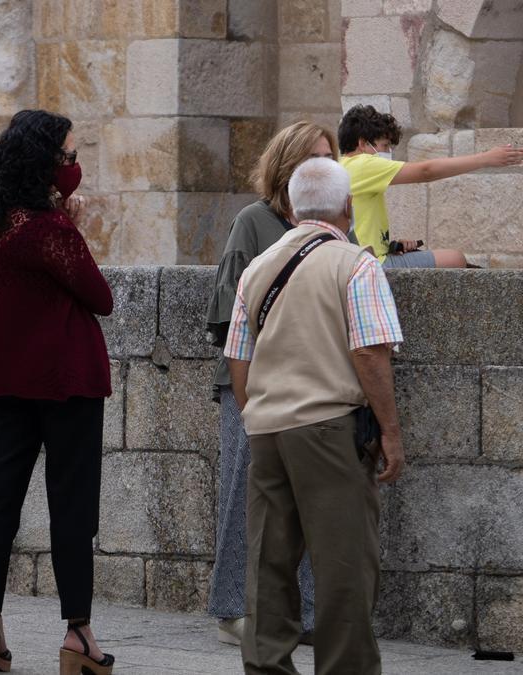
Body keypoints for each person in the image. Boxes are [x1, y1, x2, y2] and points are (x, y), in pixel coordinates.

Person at [225, 158, 406, 674]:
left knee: (268, 563)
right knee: (344, 564)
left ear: (293, 207)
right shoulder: (355, 264)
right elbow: (370, 353)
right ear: (348, 206)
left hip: (267, 429)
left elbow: (239, 357)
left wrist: (255, 412)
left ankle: (265, 667)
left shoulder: (257, 268)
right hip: (328, 428)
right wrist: (390, 433)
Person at [0, 110, 115, 675]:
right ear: (46, 162)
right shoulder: (49, 230)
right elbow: (99, 296)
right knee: (72, 506)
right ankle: (78, 633)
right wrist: (69, 223)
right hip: (66, 380)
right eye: (69, 157)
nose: (75, 167)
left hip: (4, 376)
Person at [204, 121, 339, 646]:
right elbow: (224, 318)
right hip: (253, 381)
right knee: (247, 495)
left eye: (328, 157)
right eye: (312, 157)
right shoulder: (253, 223)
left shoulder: (332, 226)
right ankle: (233, 609)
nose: (323, 165)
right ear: (287, 166)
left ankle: (300, 612)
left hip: (312, 383)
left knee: (306, 499)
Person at [338, 104, 523, 268]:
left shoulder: (343, 167)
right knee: (455, 259)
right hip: (375, 264)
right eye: (385, 146)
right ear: (362, 143)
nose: (387, 153)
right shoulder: (362, 164)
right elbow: (426, 171)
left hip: (368, 258)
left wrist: (393, 246)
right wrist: (485, 159)